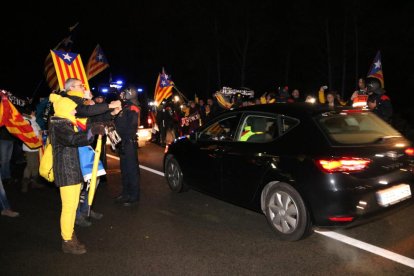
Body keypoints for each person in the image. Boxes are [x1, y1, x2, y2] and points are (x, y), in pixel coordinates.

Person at [48, 93, 105, 254]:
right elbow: (73, 139)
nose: (75, 112)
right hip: (66, 170)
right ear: (65, 109)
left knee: (72, 206)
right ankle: (67, 240)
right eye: (73, 109)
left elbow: (79, 134)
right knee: (68, 207)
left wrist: (94, 128)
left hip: (71, 169)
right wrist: (92, 131)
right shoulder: (59, 124)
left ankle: (69, 233)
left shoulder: (64, 122)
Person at [114, 88, 141, 206]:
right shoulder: (125, 107)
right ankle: (125, 193)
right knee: (124, 170)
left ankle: (133, 196)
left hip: (128, 142)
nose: (121, 94)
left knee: (131, 170)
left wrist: (124, 140)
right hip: (122, 142)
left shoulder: (132, 108)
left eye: (123, 93)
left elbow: (132, 126)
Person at [21, 106, 43, 193]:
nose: (35, 113)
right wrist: (39, 132)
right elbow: (28, 133)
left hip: (36, 146)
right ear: (31, 112)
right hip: (29, 147)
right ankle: (24, 184)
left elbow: (38, 130)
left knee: (36, 165)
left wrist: (41, 132)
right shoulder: (26, 120)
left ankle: (34, 182)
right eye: (34, 111)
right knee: (30, 165)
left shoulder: (33, 121)